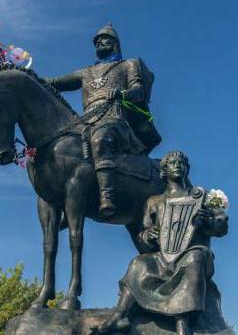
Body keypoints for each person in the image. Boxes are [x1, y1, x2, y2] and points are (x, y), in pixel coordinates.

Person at [90, 150, 229, 335]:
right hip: (163, 258)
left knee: (195, 258)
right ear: (163, 171)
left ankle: (182, 324)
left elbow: (221, 228)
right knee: (140, 263)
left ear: (186, 169)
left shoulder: (201, 197)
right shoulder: (154, 202)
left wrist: (209, 220)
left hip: (193, 254)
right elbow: (144, 238)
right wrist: (147, 236)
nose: (177, 165)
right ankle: (120, 315)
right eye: (172, 162)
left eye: (181, 162)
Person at [47, 23, 160, 217]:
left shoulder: (128, 65)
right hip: (87, 122)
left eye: (104, 39)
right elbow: (54, 83)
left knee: (100, 138)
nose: (99, 42)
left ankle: (107, 196)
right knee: (65, 150)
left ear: (115, 43)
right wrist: (25, 76)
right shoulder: (85, 72)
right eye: (97, 41)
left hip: (115, 119)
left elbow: (139, 91)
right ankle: (68, 203)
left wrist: (121, 93)